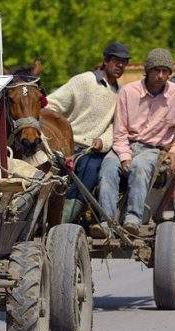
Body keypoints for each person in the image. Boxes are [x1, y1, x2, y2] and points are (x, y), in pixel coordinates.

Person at [93, 48, 175, 236]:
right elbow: (120, 130)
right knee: (108, 167)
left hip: (152, 149)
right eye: (156, 71)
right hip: (124, 145)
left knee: (140, 168)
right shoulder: (128, 92)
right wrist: (124, 156)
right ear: (147, 71)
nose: (160, 76)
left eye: (165, 71)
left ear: (169, 73)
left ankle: (133, 219)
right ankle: (106, 221)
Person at [46, 42, 130, 223]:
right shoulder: (84, 81)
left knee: (90, 168)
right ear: (105, 61)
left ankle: (64, 220)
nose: (120, 66)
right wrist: (54, 129)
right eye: (116, 61)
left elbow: (114, 127)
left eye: (124, 62)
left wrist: (103, 141)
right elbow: (53, 104)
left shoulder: (120, 94)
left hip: (91, 150)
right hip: (65, 145)